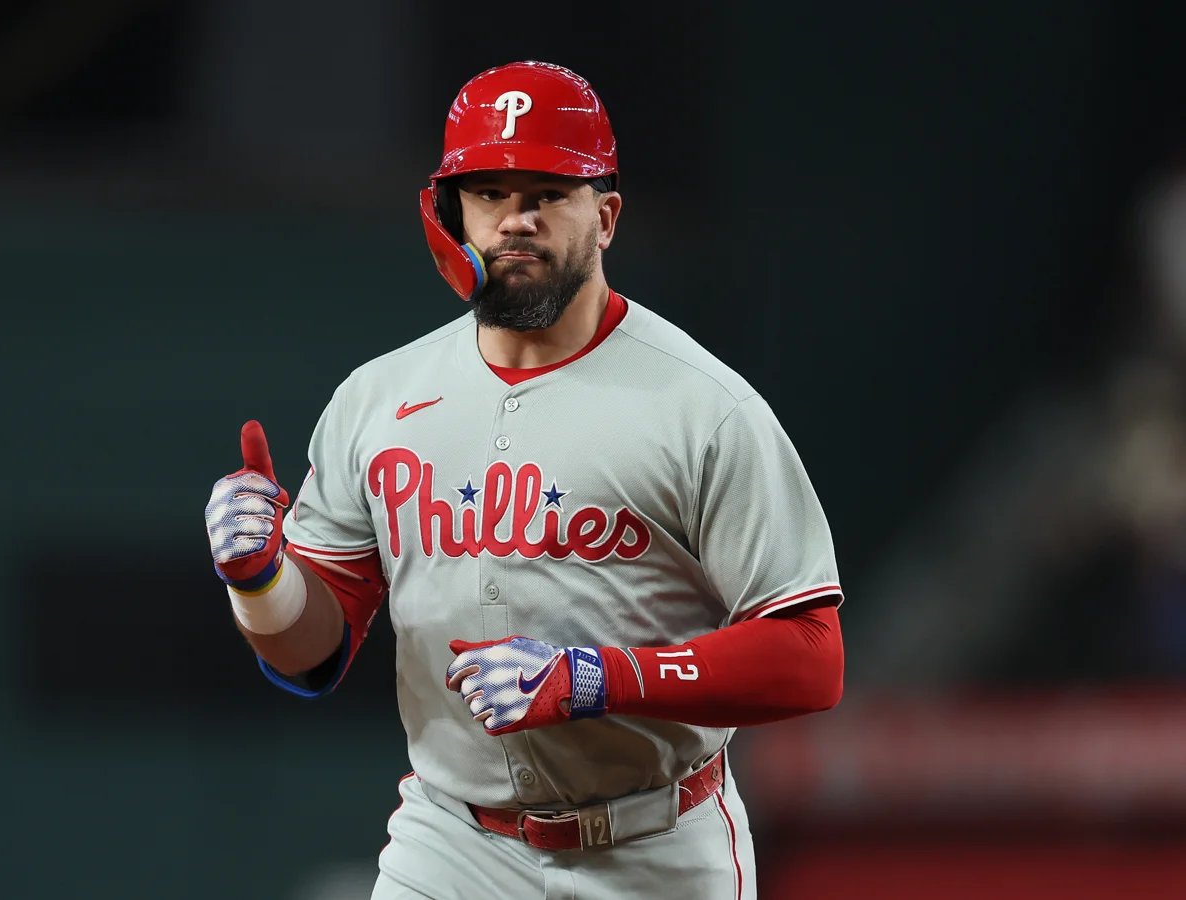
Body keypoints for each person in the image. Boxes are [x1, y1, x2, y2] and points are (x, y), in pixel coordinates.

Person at [204, 60, 844, 900]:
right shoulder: (377, 398)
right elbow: (312, 653)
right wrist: (258, 580)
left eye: (548, 193)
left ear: (605, 217)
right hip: (451, 844)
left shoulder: (705, 407)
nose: (516, 219)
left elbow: (810, 656)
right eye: (490, 193)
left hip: (655, 845)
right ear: (450, 213)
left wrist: (599, 677)